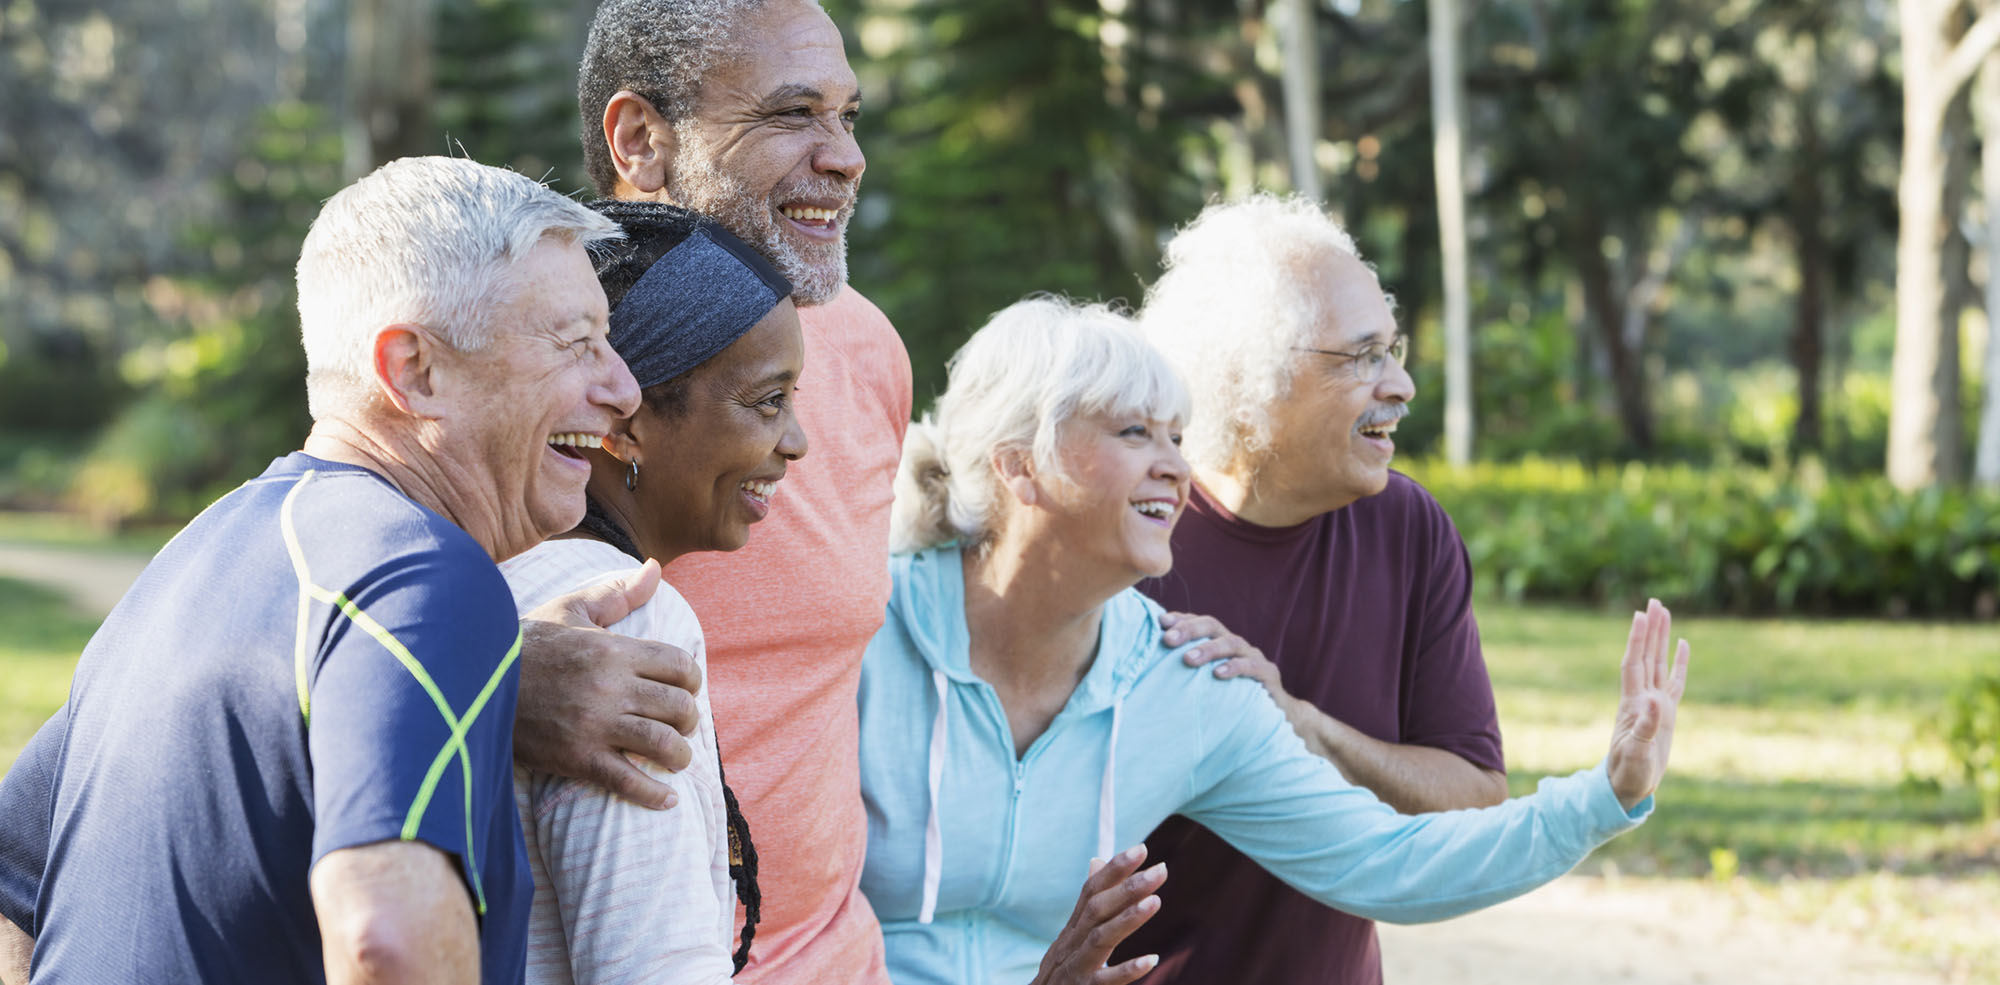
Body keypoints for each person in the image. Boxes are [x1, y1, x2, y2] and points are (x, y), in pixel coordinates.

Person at [857, 297, 1691, 985]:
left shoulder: (1183, 682)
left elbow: (1390, 860)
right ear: (1019, 466)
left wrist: (1604, 796)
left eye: (1176, 436)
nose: (1175, 468)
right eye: (1133, 434)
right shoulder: (860, 633)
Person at [0, 156, 640, 984]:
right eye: (575, 344)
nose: (622, 387)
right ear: (414, 369)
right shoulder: (423, 573)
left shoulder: (190, 561)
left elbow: (15, 884)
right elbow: (388, 940)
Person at [512, 3, 912, 982]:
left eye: (847, 117)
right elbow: (304, 611)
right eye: (791, 115)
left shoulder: (866, 352)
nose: (844, 157)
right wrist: (488, 683)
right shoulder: (512, 360)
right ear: (641, 141)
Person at [1113, 193, 1515, 984]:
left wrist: (1305, 728)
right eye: (1362, 355)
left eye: (1393, 350)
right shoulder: (1125, 534)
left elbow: (1474, 801)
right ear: (1251, 381)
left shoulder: (1408, 527)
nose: (1399, 383)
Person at [502, 201, 805, 985]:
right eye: (769, 401)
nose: (797, 441)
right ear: (624, 423)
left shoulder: (476, 589)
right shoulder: (620, 624)